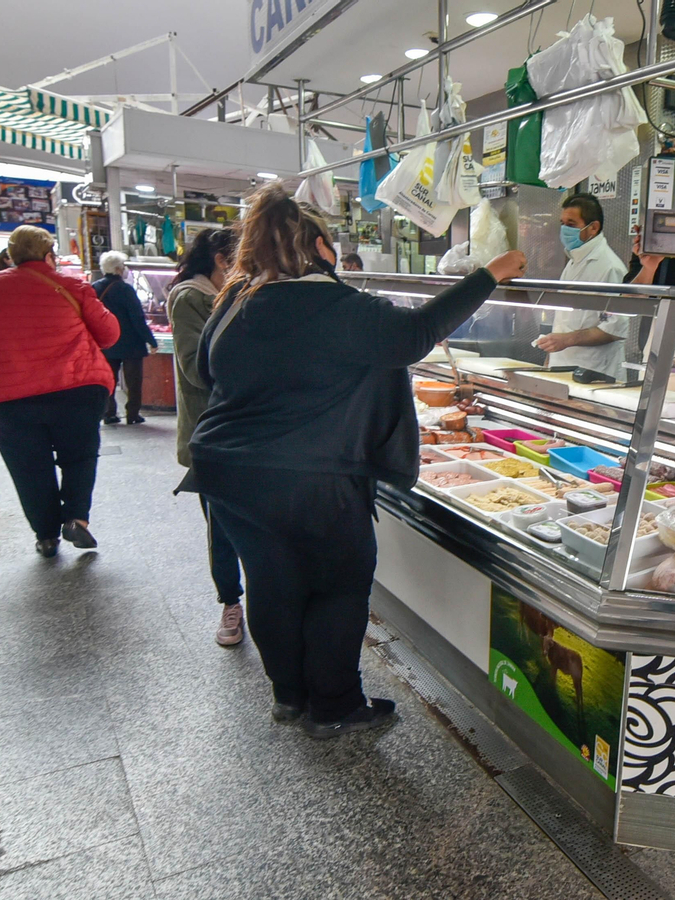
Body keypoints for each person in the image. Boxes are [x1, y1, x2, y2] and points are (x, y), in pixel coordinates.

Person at [189, 182, 526, 739]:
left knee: (271, 583)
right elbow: (415, 335)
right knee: (339, 586)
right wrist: (489, 274)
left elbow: (205, 372)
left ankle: (289, 696)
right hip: (315, 477)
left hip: (227, 470)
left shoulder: (234, 301)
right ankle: (335, 705)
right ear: (321, 247)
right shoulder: (339, 305)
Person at [0, 226, 120, 557]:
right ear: (49, 256)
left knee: (28, 467)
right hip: (76, 387)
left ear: (11, 256)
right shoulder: (73, 286)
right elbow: (108, 335)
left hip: (8, 396)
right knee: (80, 456)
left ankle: (46, 536)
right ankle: (76, 518)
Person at [167, 228, 246, 647]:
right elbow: (195, 369)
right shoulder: (191, 298)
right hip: (212, 431)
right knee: (222, 526)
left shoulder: (233, 294)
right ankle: (230, 601)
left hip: (248, 429)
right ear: (221, 259)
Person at [538, 194, 631, 377]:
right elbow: (564, 319)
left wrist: (567, 340)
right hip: (562, 366)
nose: (565, 230)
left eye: (571, 224)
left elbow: (614, 329)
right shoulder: (574, 261)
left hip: (594, 372)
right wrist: (550, 359)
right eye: (563, 223)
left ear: (593, 227)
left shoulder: (610, 268)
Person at [91, 251, 158, 425]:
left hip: (106, 343)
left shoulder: (95, 288)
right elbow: (137, 318)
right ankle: (133, 414)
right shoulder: (126, 289)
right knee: (133, 382)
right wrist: (151, 340)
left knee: (109, 380)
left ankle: (109, 413)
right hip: (131, 343)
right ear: (119, 269)